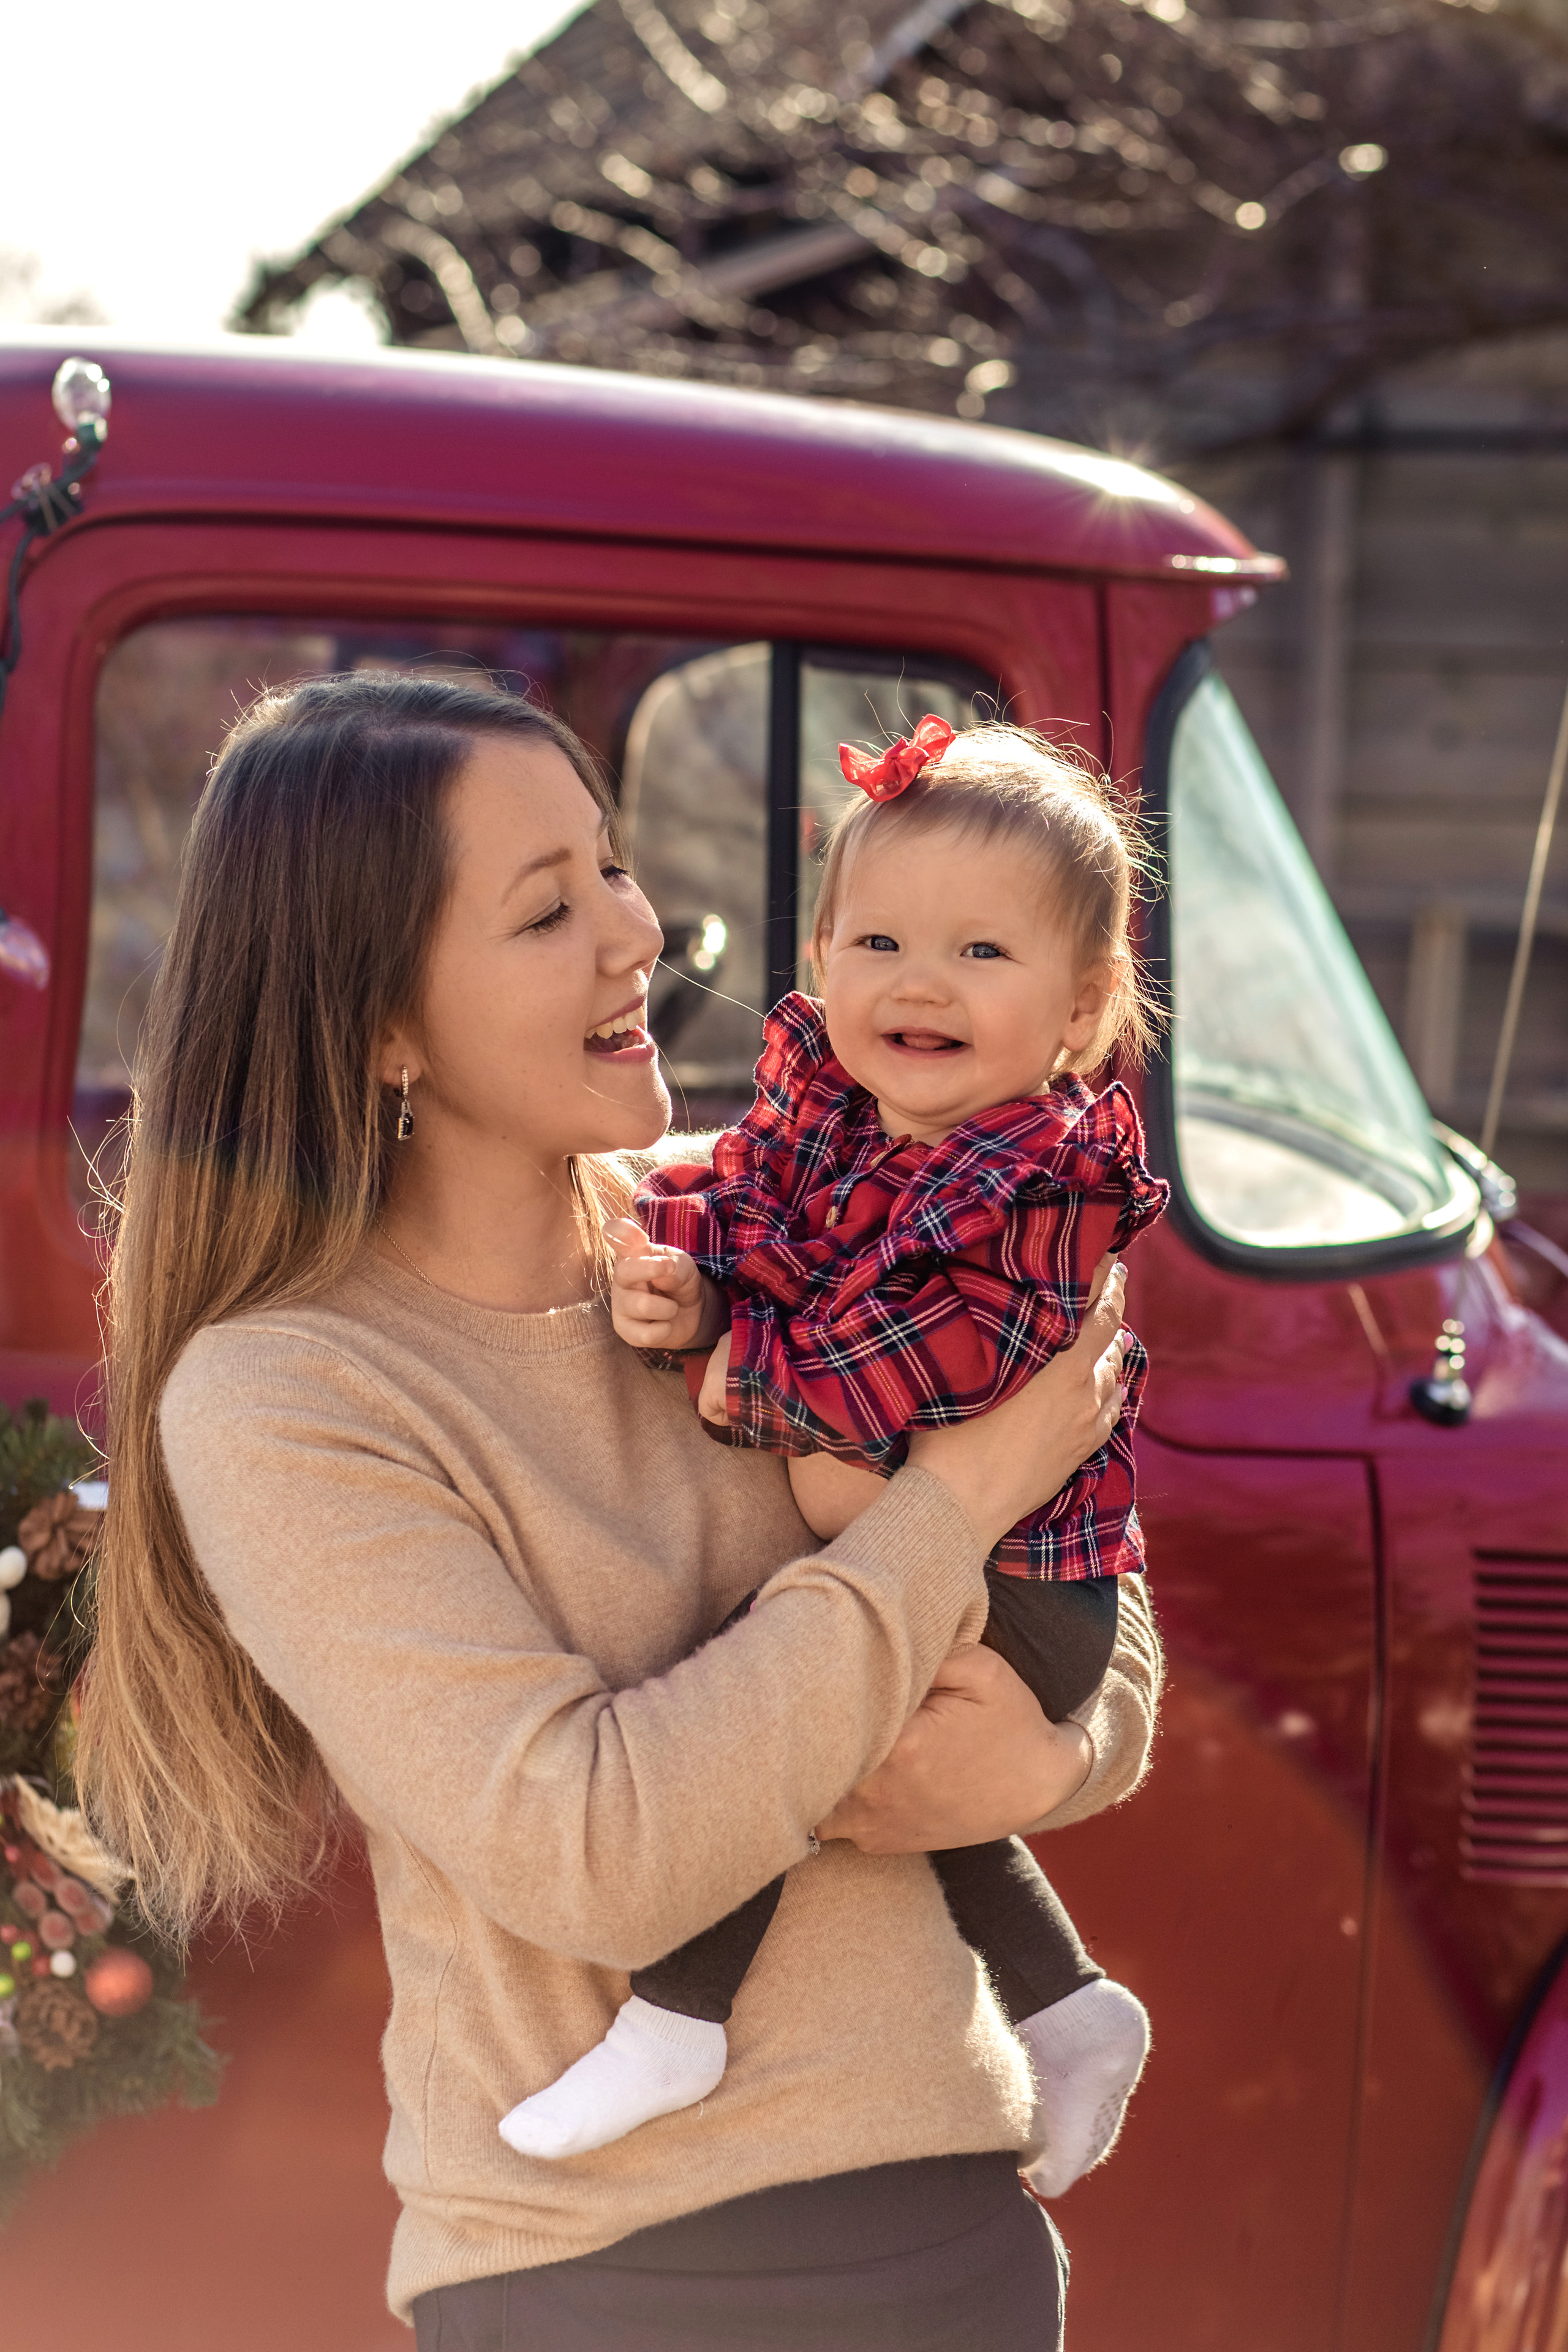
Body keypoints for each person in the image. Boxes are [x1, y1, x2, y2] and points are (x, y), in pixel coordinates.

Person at [77, 674, 1162, 2351]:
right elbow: (599, 1852)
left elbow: (1077, 1508)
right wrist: (943, 1511)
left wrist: (1057, 1759)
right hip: (603, 2276)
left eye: (614, 868)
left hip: (955, 2223)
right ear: (381, 1025)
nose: (634, 934)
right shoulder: (292, 1396)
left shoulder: (744, 1226)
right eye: (547, 910)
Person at [502, 716, 1164, 2201]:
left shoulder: (1036, 1176)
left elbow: (951, 1364)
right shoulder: (839, 1125)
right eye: (875, 941)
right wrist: (685, 1273)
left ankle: (679, 2016)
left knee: (778, 1684)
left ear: (1081, 1004)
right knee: (861, 1756)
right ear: (816, 959)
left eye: (983, 955)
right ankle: (1065, 2009)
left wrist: (749, 1377)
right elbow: (736, 1201)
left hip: (1030, 1596)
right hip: (933, 1557)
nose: (918, 982)